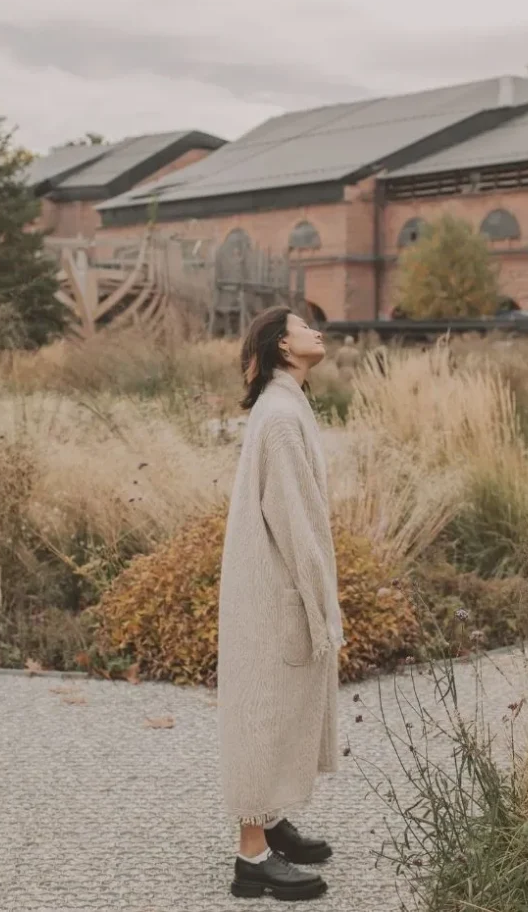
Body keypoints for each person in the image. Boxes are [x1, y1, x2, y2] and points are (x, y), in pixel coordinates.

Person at [218, 305, 345, 902]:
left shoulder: (284, 406)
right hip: (273, 590)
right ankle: (252, 857)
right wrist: (322, 603)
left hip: (268, 583)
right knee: (262, 711)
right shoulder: (281, 417)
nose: (317, 331)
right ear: (283, 346)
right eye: (304, 326)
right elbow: (296, 522)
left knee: (275, 703)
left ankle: (269, 823)